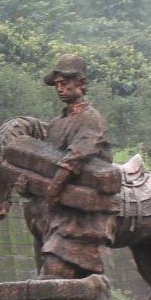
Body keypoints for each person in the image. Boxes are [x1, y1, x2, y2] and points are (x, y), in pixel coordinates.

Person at [37, 54, 120, 278]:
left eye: (65, 84)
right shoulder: (55, 124)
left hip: (83, 214)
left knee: (56, 273)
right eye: (57, 85)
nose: (60, 89)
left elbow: (76, 157)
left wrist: (53, 190)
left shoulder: (92, 120)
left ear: (81, 84)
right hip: (58, 210)